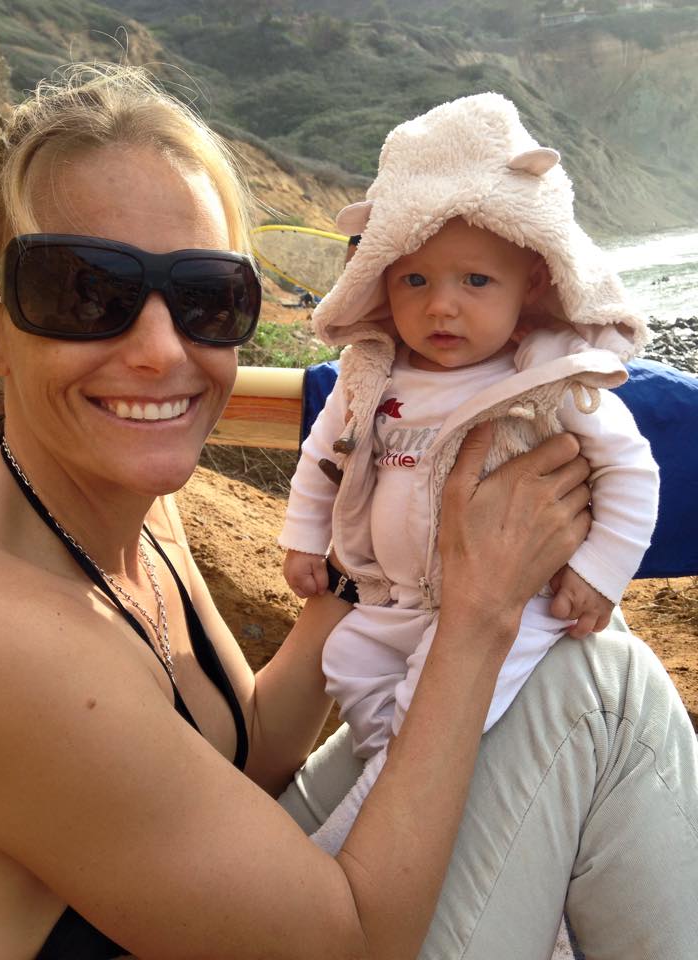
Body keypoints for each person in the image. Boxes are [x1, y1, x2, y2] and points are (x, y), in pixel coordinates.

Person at [0, 66, 695, 960]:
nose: (161, 350)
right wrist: (478, 611)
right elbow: (350, 944)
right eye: (85, 292)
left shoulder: (126, 512)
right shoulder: (3, 638)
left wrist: (379, 551)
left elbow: (245, 752)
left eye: (207, 298)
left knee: (596, 668)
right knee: (600, 686)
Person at [279, 94, 661, 852]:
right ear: (381, 282)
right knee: (347, 659)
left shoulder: (547, 381)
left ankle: (388, 812)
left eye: (476, 282)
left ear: (532, 287)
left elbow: (631, 471)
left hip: (514, 608)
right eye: (414, 281)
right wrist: (302, 537)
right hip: (392, 597)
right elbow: (322, 463)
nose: (441, 307)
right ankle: (395, 773)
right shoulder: (369, 381)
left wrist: (599, 571)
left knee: (450, 702)